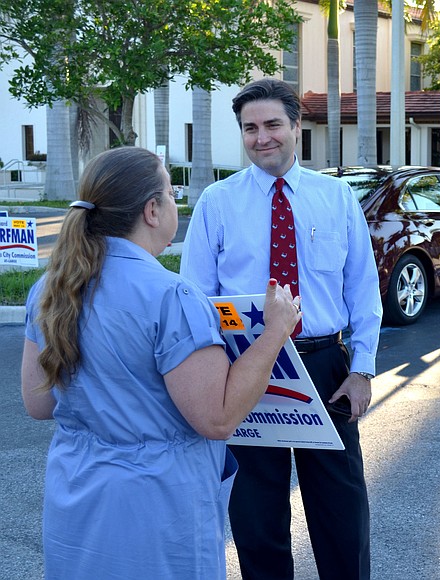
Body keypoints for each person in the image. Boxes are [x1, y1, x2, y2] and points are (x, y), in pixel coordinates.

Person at [20, 146, 302, 579]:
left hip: (76, 496)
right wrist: (273, 334)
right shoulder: (173, 296)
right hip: (157, 507)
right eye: (172, 193)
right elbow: (218, 418)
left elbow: (39, 404)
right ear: (152, 210)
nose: (174, 202)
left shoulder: (50, 288)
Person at [180, 78, 382, 579]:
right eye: (250, 128)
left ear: (296, 126)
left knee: (341, 507)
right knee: (256, 513)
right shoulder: (217, 202)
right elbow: (195, 296)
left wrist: (362, 370)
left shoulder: (335, 197)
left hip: (324, 364)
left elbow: (362, 291)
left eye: (273, 124)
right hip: (245, 368)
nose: (261, 137)